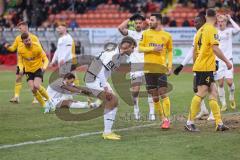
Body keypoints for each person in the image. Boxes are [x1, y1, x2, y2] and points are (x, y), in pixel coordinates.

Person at [184, 9, 232, 132]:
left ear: (206, 16)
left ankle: (219, 123)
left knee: (213, 92)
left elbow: (195, 51)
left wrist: (196, 66)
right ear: (216, 17)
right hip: (205, 67)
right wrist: (227, 61)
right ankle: (189, 122)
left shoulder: (200, 31)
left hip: (203, 66)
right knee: (202, 92)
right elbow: (215, 48)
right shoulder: (212, 30)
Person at [84, 36, 136, 140]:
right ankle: (107, 133)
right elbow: (101, 72)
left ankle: (107, 129)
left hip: (98, 79)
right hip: (94, 79)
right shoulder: (113, 54)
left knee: (115, 102)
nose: (134, 50)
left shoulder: (118, 55)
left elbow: (106, 70)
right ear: (126, 46)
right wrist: (105, 88)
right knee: (112, 100)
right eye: (133, 47)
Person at [118, 13, 155, 121]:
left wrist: (145, 19)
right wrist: (130, 18)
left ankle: (151, 112)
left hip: (147, 64)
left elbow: (153, 25)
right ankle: (136, 109)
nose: (138, 24)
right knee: (135, 90)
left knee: (150, 89)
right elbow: (120, 28)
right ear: (133, 25)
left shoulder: (147, 33)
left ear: (143, 24)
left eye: (140, 23)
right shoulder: (130, 33)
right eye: (136, 23)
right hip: (135, 65)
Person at [139, 13, 173, 129]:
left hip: (161, 68)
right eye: (149, 20)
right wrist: (153, 48)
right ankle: (163, 118)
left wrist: (169, 66)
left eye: (152, 20)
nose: (149, 22)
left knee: (163, 92)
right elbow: (139, 48)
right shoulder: (146, 33)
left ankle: (167, 119)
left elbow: (170, 51)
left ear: (158, 21)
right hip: (148, 69)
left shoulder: (167, 35)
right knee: (154, 97)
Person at [174, 15, 209, 119]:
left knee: (211, 89)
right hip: (198, 66)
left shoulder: (208, 32)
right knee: (196, 88)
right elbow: (192, 51)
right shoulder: (196, 35)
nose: (194, 24)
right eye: (194, 22)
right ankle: (203, 110)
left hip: (208, 65)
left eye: (197, 22)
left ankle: (213, 115)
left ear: (203, 22)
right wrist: (182, 65)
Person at [4, 21, 45, 103]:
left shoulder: (34, 37)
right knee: (18, 78)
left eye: (20, 28)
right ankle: (16, 97)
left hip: (33, 63)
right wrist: (7, 46)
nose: (19, 29)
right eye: (19, 28)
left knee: (35, 81)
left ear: (25, 27)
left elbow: (40, 51)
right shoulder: (18, 38)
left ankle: (37, 97)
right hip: (22, 62)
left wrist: (41, 62)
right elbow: (13, 48)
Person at [17, 32, 52, 109]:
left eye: (29, 40)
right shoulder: (20, 49)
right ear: (23, 41)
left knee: (36, 85)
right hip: (28, 71)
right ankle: (44, 106)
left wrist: (44, 67)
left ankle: (50, 100)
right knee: (33, 89)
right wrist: (20, 68)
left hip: (38, 69)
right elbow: (20, 61)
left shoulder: (37, 46)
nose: (29, 42)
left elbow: (45, 59)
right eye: (26, 41)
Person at [213, 14, 240, 112]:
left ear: (225, 22)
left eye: (222, 21)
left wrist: (230, 19)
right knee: (220, 83)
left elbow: (238, 29)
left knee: (229, 82)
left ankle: (232, 97)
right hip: (218, 60)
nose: (220, 23)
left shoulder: (229, 31)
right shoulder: (215, 31)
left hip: (228, 59)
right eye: (219, 21)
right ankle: (223, 104)